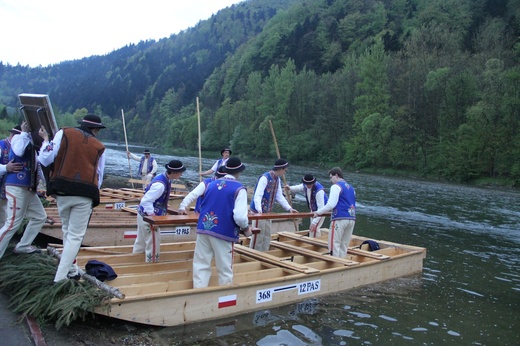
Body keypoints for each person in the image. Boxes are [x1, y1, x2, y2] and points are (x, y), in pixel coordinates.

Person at [38, 114, 107, 282]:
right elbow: (99, 175)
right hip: (84, 195)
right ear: (96, 129)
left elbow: (45, 159)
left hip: (62, 190)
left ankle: (72, 270)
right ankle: (60, 278)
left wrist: (45, 141)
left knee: (68, 231)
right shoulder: (100, 147)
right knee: (75, 237)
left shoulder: (64, 133)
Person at [192, 157, 251, 288]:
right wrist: (246, 229)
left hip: (204, 228)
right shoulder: (239, 189)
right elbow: (240, 217)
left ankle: (198, 292)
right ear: (239, 172)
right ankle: (224, 297)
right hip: (223, 232)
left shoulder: (211, 184)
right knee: (224, 267)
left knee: (201, 264)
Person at [0, 121, 47, 259]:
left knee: (40, 216)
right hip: (16, 188)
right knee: (11, 224)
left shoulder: (30, 146)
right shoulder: (17, 141)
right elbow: (19, 150)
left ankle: (23, 245)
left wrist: (48, 186)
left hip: (27, 189)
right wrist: (24, 133)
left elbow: (38, 167)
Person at [133, 159, 186, 262]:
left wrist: (164, 205)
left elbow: (153, 198)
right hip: (148, 217)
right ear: (174, 173)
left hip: (142, 214)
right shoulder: (160, 185)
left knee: (141, 241)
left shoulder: (164, 178)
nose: (181, 175)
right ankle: (152, 264)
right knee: (153, 242)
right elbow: (146, 201)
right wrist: (152, 216)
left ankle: (135, 260)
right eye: (180, 173)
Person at [249, 158, 297, 251]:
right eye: (285, 170)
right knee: (258, 235)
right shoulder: (265, 178)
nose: (285, 172)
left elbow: (279, 195)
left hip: (267, 212)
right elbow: (258, 194)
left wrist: (289, 208)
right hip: (259, 212)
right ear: (280, 169)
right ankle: (254, 253)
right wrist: (259, 210)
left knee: (267, 235)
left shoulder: (277, 179)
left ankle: (264, 253)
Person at [314, 167, 356, 258]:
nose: (330, 180)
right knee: (344, 245)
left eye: (331, 177)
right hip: (351, 219)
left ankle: (335, 264)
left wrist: (318, 212)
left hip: (339, 218)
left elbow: (331, 204)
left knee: (334, 245)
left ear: (336, 175)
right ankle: (342, 264)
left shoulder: (336, 186)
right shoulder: (352, 188)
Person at [285, 174, 328, 238]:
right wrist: (290, 188)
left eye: (309, 184)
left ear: (313, 183)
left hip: (321, 211)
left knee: (314, 228)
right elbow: (298, 187)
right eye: (306, 184)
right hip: (313, 210)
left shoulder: (319, 191)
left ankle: (315, 243)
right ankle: (312, 241)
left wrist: (314, 222)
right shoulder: (306, 185)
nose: (308, 186)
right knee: (312, 229)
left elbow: (321, 208)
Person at [0, 125, 23, 226]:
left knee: (4, 218)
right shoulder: (1, 146)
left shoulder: (19, 150)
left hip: (6, 190)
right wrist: (6, 168)